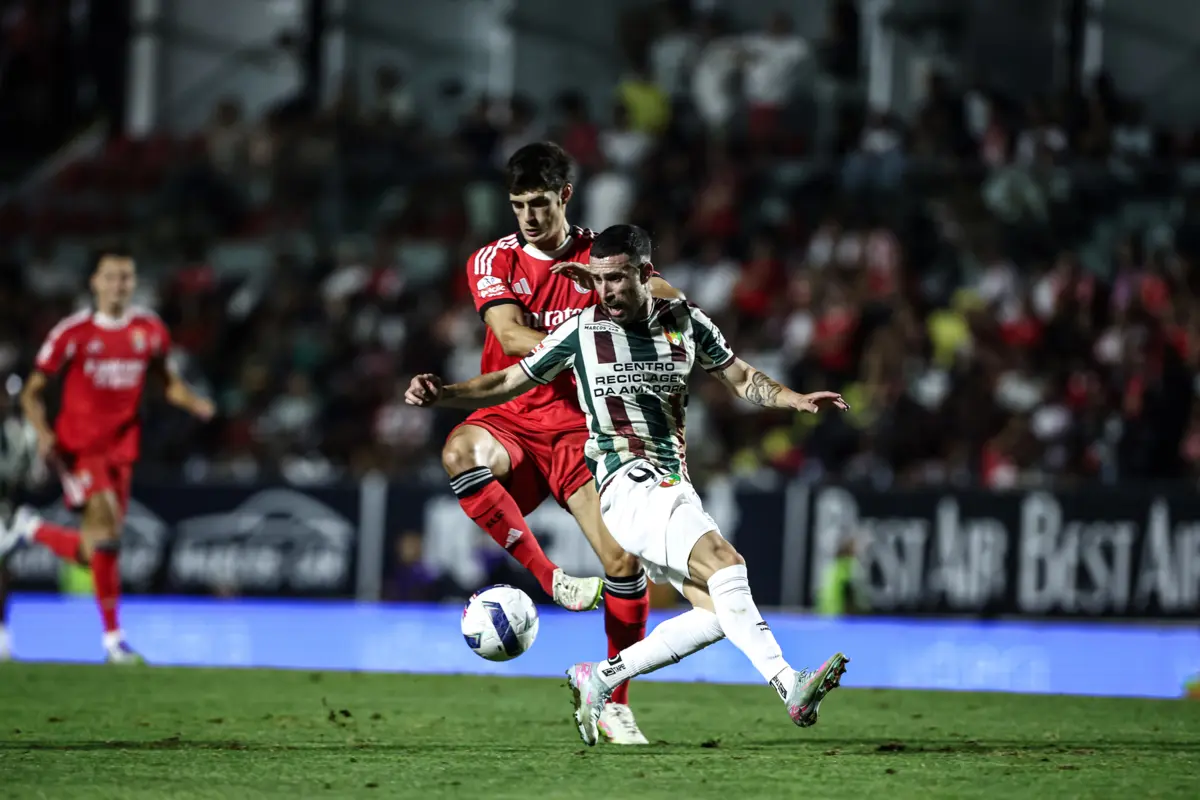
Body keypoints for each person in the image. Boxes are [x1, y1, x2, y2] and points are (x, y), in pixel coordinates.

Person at [407, 224, 851, 746]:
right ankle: (789, 684)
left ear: (646, 275)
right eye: (599, 280)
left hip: (671, 479)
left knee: (715, 613)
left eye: (618, 279)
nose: (609, 291)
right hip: (625, 482)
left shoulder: (685, 321)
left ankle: (601, 678)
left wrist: (793, 399)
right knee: (728, 566)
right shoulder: (580, 331)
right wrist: (445, 394)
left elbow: (739, 376)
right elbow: (509, 380)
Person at [446, 142, 684, 744]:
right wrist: (590, 332)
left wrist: (640, 303)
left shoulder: (603, 256)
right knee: (458, 452)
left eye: (540, 203)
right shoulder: (492, 260)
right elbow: (505, 331)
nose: (528, 216)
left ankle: (612, 696)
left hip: (582, 430)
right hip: (510, 417)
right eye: (518, 204)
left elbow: (672, 302)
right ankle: (547, 576)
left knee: (624, 565)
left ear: (565, 197)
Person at [0, 251, 215, 663]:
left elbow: (166, 383)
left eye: (127, 277)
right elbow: (31, 391)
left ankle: (29, 528)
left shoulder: (149, 331)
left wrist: (195, 403)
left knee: (99, 548)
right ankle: (114, 641)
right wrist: (44, 434)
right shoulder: (73, 333)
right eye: (112, 277)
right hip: (79, 448)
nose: (120, 285)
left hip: (122, 450)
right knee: (106, 530)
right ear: (94, 283)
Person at [0, 375, 41, 660]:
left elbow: (35, 479)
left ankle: (2, 630)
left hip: (7, 509)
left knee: (4, 574)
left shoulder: (24, 433)